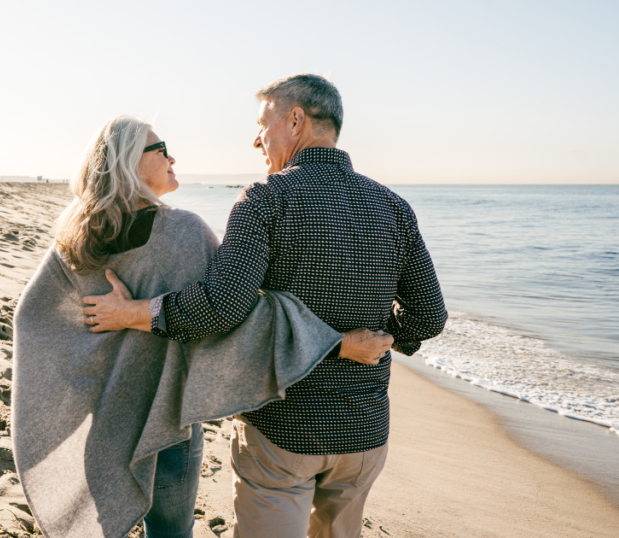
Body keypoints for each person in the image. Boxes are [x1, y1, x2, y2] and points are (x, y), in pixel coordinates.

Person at [82, 75, 448, 538]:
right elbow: (429, 317)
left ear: (295, 120)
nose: (257, 138)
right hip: (365, 429)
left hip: (283, 430)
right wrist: (380, 340)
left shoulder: (265, 199)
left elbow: (222, 306)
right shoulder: (393, 206)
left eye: (263, 123)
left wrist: (136, 313)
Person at [12, 115, 393, 538]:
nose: (172, 156)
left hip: (102, 420)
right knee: (171, 532)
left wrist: (85, 370)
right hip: (164, 417)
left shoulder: (77, 237)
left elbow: (34, 320)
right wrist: (338, 343)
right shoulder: (182, 233)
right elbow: (239, 317)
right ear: (130, 162)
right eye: (161, 149)